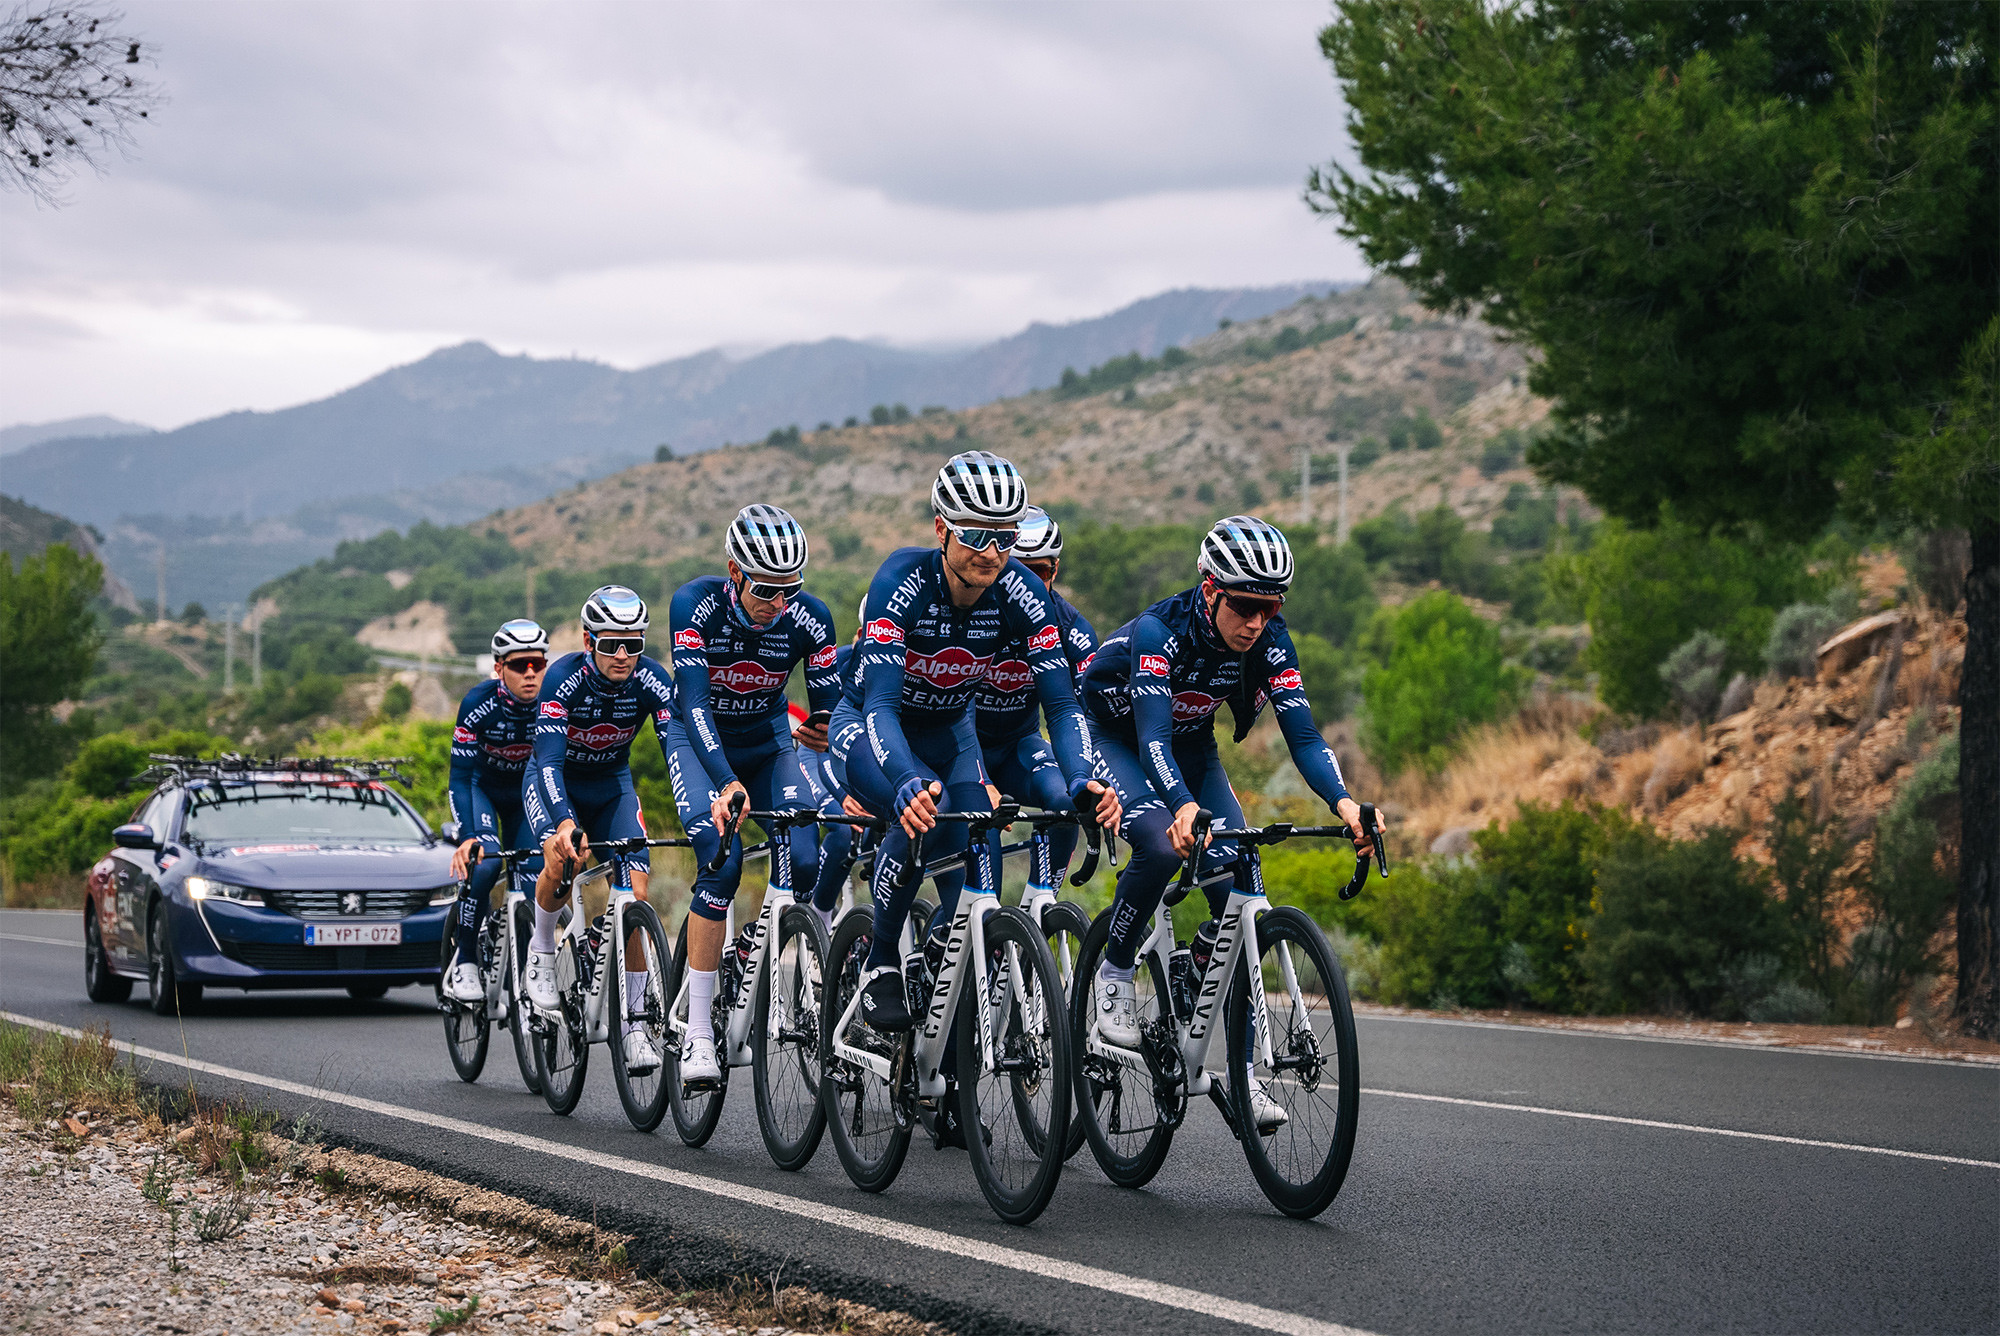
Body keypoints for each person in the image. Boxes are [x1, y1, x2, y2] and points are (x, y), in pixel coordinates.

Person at [1078, 515, 1366, 1134]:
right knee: (1159, 845)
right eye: (1243, 606)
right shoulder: (1160, 631)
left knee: (1240, 874)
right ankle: (1116, 971)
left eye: (1270, 607)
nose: (1256, 622)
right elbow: (1152, 740)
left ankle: (1241, 1063)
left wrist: (1345, 806)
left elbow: (1306, 737)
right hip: (1117, 738)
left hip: (1190, 745)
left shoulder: (1268, 640)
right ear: (1211, 591)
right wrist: (1180, 806)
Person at [845, 450, 1121, 1033]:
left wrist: (1082, 779)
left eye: (1004, 537)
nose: (991, 552)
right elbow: (881, 705)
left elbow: (1063, 705)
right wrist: (902, 780)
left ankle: (947, 1048)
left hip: (949, 732)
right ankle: (879, 961)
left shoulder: (1022, 592)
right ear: (942, 529)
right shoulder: (903, 580)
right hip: (876, 730)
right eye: (975, 535)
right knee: (921, 810)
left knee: (975, 880)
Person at [663, 504, 841, 1087]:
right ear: (735, 573)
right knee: (723, 861)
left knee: (810, 855)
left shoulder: (809, 618)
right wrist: (723, 781)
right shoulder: (696, 605)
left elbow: (830, 710)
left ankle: (745, 954)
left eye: (791, 588)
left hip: (766, 742)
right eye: (766, 589)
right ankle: (696, 1034)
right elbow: (691, 704)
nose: (779, 603)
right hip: (698, 742)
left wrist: (824, 729)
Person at [522, 585, 677, 1076]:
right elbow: (548, 761)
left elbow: (677, 749)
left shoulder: (652, 680)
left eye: (634, 644)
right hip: (556, 781)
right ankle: (542, 952)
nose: (624, 655)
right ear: (589, 642)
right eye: (611, 644)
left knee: (636, 894)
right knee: (561, 859)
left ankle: (633, 1025)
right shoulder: (563, 679)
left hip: (611, 786)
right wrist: (565, 823)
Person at [972, 506, 1098, 911]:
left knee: (1064, 803)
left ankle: (1036, 909)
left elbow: (1082, 714)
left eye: (1039, 572)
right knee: (981, 850)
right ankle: (966, 929)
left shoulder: (1070, 628)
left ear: (1055, 570)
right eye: (1018, 569)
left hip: (1017, 747)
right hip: (960, 750)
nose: (1026, 583)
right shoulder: (973, 611)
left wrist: (1094, 780)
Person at [444, 619, 549, 1003]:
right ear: (498, 667)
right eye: (520, 665)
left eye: (538, 664)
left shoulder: (552, 700)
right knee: (486, 864)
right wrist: (468, 834)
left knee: (536, 875)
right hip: (481, 790)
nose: (530, 673)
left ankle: (525, 963)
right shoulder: (478, 702)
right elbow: (459, 777)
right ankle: (466, 960)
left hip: (525, 796)